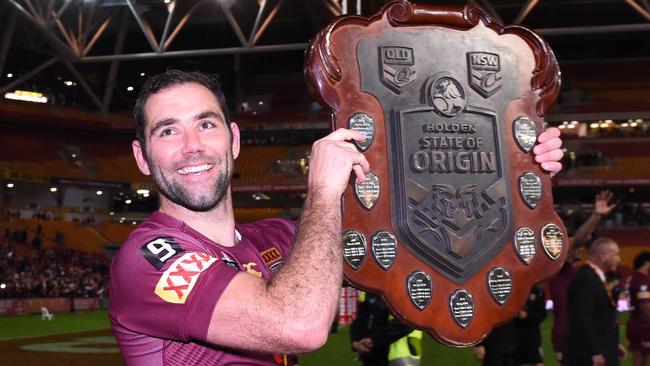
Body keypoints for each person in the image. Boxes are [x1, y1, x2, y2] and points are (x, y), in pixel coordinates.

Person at [108, 69, 564, 365]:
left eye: (205, 124)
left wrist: (515, 165)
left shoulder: (277, 236)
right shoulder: (149, 256)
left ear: (233, 140)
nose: (192, 146)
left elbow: (424, 244)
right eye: (167, 131)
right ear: (142, 157)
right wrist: (324, 191)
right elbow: (297, 326)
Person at [548, 190, 616, 364]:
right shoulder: (561, 268)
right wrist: (595, 216)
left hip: (584, 335)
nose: (579, 248)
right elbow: (578, 240)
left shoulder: (583, 272)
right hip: (569, 334)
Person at [565, 237, 627, 366]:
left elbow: (599, 318)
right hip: (590, 357)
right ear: (603, 255)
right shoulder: (585, 279)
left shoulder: (595, 277)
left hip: (603, 348)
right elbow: (581, 319)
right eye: (616, 254)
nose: (619, 259)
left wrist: (612, 344)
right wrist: (594, 351)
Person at [350, 292, 419, 366]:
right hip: (371, 356)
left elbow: (407, 322)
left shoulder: (404, 289)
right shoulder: (367, 292)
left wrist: (373, 339)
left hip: (400, 356)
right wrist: (355, 342)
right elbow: (358, 321)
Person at [513, 285, 547, 366]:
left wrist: (527, 315)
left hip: (533, 336)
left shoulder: (538, 291)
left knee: (538, 361)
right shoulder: (512, 290)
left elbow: (542, 315)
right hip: (516, 336)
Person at [627, 251, 650, 366]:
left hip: (639, 324)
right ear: (647, 263)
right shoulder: (642, 279)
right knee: (639, 359)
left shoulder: (636, 277)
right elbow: (645, 305)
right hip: (642, 326)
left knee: (642, 358)